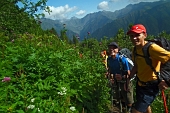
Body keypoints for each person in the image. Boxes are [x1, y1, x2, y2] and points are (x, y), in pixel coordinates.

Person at [127, 24, 170, 113]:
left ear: (145, 35)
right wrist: (128, 79)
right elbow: (136, 66)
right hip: (140, 84)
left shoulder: (152, 48)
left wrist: (167, 81)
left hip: (151, 86)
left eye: (137, 35)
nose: (134, 38)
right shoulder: (134, 49)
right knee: (146, 107)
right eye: (132, 36)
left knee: (135, 111)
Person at [107, 42, 134, 112]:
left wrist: (122, 77)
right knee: (119, 94)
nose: (111, 49)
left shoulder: (122, 59)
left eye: (114, 48)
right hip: (116, 79)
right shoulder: (109, 59)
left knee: (128, 96)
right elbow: (110, 69)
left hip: (125, 80)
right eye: (110, 48)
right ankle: (122, 106)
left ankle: (129, 109)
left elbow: (129, 73)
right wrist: (111, 76)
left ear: (118, 49)